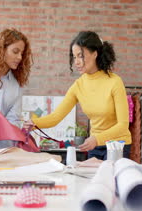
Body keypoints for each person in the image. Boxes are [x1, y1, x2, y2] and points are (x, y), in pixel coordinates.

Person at [23, 31, 131, 160]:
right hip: (94, 145)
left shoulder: (115, 82)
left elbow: (122, 125)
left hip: (117, 145)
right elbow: (56, 117)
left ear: (95, 54)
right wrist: (33, 123)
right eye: (74, 57)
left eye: (80, 56)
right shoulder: (78, 85)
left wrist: (97, 139)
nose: (77, 62)